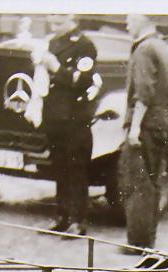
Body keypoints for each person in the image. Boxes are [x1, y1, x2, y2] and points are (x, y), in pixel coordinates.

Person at [35, 14, 100, 236]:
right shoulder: (53, 43)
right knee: (59, 167)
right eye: (52, 19)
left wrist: (55, 67)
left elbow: (81, 81)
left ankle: (77, 221)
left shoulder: (84, 45)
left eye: (59, 20)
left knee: (76, 169)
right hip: (55, 117)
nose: (54, 24)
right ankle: (62, 217)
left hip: (75, 118)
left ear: (73, 19)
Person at [120, 13, 168, 252]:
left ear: (144, 19)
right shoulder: (162, 47)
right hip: (161, 120)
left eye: (131, 17)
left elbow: (143, 92)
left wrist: (134, 129)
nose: (126, 22)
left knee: (137, 183)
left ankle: (138, 243)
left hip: (145, 123)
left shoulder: (143, 50)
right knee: (152, 182)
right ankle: (147, 240)